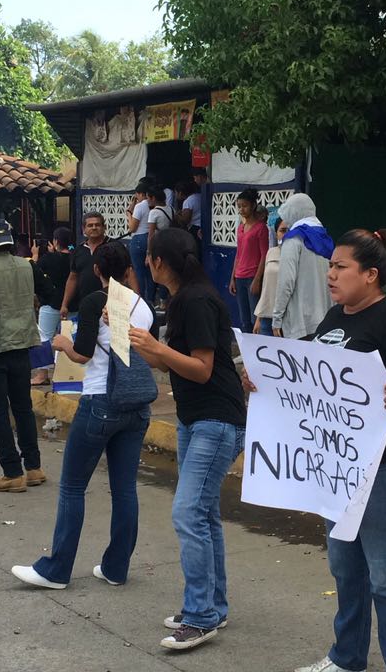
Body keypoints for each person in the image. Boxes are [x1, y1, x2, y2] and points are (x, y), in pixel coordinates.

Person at [287, 228, 386, 672]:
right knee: (346, 570)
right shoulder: (334, 318)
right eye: (330, 265)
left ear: (371, 275)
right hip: (341, 468)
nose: (330, 273)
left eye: (339, 266)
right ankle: (346, 657)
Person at [11, 241, 156, 589]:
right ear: (129, 271)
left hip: (100, 403)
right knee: (124, 490)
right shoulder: (144, 307)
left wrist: (61, 345)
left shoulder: (96, 302)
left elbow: (82, 355)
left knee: (73, 487)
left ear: (96, 271)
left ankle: (56, 570)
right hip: (137, 406)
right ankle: (115, 568)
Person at [128, 228, 246, 651]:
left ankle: (199, 618)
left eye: (149, 258)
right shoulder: (186, 298)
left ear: (159, 263)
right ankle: (212, 605)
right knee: (204, 514)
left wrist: (153, 348)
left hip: (216, 419)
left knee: (188, 512)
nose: (146, 264)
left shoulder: (195, 300)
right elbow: (169, 365)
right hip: (197, 418)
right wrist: (136, 340)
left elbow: (200, 368)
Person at [0, 218, 55, 493]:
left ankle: (11, 472)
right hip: (22, 348)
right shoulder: (28, 266)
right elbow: (51, 295)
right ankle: (33, 468)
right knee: (23, 408)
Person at [271, 193, 333, 340]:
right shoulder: (326, 239)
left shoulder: (293, 239)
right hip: (326, 319)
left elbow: (286, 282)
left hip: (300, 323)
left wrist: (277, 318)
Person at [31, 227, 73, 386]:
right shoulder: (75, 256)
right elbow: (69, 249)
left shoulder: (49, 259)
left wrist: (35, 255)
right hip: (72, 304)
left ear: (55, 241)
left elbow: (32, 271)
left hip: (51, 304)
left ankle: (42, 374)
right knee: (72, 337)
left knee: (43, 339)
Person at [229, 189, 270, 331]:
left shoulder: (261, 228)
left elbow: (264, 255)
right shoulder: (240, 228)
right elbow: (238, 254)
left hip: (252, 276)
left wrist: (257, 280)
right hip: (239, 277)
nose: (241, 209)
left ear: (253, 205)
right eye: (239, 206)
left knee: (255, 319)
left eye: (244, 205)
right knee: (244, 319)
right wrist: (232, 278)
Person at [60, 212, 111, 322]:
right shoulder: (78, 250)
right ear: (84, 229)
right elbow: (73, 278)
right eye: (90, 225)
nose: (94, 228)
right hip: (85, 305)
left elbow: (129, 273)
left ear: (104, 227)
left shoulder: (114, 247)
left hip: (110, 306)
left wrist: (137, 298)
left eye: (97, 225)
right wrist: (64, 304)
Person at [251, 215, 288, 336]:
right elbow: (266, 288)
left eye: (290, 231)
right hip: (267, 316)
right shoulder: (271, 252)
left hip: (288, 319)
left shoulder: (299, 256)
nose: (286, 234)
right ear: (276, 233)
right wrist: (259, 318)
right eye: (282, 231)